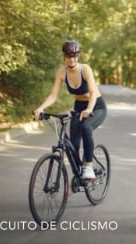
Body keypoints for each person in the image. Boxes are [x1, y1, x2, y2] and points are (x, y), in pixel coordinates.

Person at [33, 40, 107, 180]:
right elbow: (53, 95)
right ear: (64, 57)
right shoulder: (62, 72)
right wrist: (41, 108)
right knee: (73, 145)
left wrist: (89, 109)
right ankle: (79, 173)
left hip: (96, 106)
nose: (72, 59)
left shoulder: (85, 69)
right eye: (69, 56)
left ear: (78, 56)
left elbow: (92, 93)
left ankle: (89, 167)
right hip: (79, 107)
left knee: (86, 127)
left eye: (75, 56)